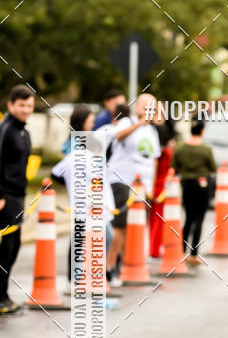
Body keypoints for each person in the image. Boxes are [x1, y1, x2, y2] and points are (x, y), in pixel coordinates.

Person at [51, 105, 115, 282]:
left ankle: (91, 273)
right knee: (81, 236)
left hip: (95, 199)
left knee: (93, 235)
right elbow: (62, 171)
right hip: (83, 201)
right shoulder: (74, 143)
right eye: (90, 120)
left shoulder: (90, 138)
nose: (93, 123)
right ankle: (76, 276)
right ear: (81, 121)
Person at [106, 93, 161, 285]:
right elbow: (118, 135)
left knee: (135, 228)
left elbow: (154, 159)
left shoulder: (152, 131)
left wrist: (152, 186)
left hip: (142, 187)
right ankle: (108, 270)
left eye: (152, 108)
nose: (149, 111)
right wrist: (139, 124)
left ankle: (125, 267)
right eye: (145, 106)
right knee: (120, 228)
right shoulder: (126, 122)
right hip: (121, 180)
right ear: (137, 107)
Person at [0, 84, 35, 313]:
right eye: (21, 105)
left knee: (13, 249)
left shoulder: (24, 131)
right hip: (6, 197)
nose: (25, 109)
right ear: (10, 105)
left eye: (29, 105)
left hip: (18, 196)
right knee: (6, 249)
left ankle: (3, 295)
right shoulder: (6, 129)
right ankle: (1, 298)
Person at [172, 118, 217, 265]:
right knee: (199, 219)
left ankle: (181, 250)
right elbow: (213, 167)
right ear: (202, 131)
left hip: (186, 184)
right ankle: (193, 254)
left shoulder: (180, 148)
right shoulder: (206, 149)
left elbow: (175, 166)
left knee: (188, 218)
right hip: (202, 185)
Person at [148, 102, 177, 259]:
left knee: (158, 217)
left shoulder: (165, 136)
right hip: (157, 181)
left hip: (161, 181)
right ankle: (154, 248)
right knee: (156, 217)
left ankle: (156, 247)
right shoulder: (153, 133)